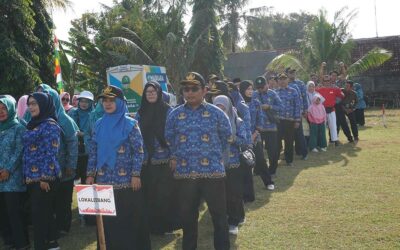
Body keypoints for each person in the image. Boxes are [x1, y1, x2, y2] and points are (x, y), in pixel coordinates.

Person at [165, 72, 232, 250]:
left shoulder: (217, 113)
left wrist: (211, 154)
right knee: (188, 218)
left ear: (205, 90)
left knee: (219, 216)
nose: (190, 93)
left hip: (213, 173)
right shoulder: (174, 115)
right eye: (186, 89)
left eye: (194, 89)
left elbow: (226, 137)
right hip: (185, 175)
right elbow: (169, 138)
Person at [86, 86, 151, 250]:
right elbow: (93, 151)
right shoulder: (99, 124)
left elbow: (139, 151)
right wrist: (89, 175)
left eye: (111, 100)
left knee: (128, 221)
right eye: (104, 100)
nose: (107, 103)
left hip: (127, 182)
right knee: (107, 222)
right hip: (104, 182)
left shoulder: (131, 124)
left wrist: (136, 174)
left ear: (120, 102)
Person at [136, 81, 178, 235]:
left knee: (165, 194)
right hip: (146, 161)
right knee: (149, 194)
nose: (151, 94)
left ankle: (167, 227)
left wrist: (174, 156)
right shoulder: (141, 112)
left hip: (164, 160)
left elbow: (174, 134)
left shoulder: (168, 111)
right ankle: (152, 226)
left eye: (153, 91)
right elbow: (137, 136)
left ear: (159, 93)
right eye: (148, 92)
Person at [36, 85, 79, 234]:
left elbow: (72, 144)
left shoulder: (63, 119)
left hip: (64, 167)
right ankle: (53, 226)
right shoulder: (38, 118)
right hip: (47, 169)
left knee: (63, 199)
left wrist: (70, 165)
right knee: (51, 199)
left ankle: (63, 226)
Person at [23, 92, 61, 250]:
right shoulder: (33, 123)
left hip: (45, 177)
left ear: (43, 105)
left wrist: (45, 178)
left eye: (34, 104)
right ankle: (52, 243)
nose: (31, 107)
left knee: (39, 215)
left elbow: (50, 153)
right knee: (43, 213)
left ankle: (40, 246)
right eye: (29, 104)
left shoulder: (50, 125)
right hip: (32, 177)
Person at [0, 95, 29, 249]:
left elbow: (19, 151)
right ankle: (9, 241)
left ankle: (22, 243)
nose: (1, 112)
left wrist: (8, 169)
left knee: (14, 213)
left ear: (11, 108)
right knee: (2, 213)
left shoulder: (19, 128)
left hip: (13, 178)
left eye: (4, 108)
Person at [250, 76, 281, 181]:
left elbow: (281, 107)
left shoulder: (273, 94)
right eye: (258, 87)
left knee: (273, 151)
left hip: (271, 127)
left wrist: (270, 107)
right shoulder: (253, 94)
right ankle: (258, 170)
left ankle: (272, 170)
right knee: (258, 151)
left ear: (267, 84)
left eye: (262, 87)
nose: (260, 89)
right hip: (258, 128)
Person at [69, 91, 94, 185]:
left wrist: (84, 135)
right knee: (74, 181)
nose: (84, 104)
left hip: (89, 153)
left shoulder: (93, 115)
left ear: (91, 103)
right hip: (74, 152)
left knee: (88, 180)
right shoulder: (72, 113)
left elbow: (95, 133)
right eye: (82, 101)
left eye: (87, 101)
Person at [276, 73, 301, 167]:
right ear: (278, 81)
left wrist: (297, 120)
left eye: (284, 79)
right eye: (280, 79)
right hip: (278, 121)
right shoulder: (275, 92)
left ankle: (289, 160)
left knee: (289, 141)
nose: (282, 81)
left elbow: (297, 106)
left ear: (287, 80)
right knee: (277, 141)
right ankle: (275, 159)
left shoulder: (294, 91)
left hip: (290, 121)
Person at [286, 67, 308, 160]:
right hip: (286, 114)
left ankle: (303, 153)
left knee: (299, 134)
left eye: (294, 72)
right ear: (287, 74)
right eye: (290, 73)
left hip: (297, 112)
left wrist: (305, 109)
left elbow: (303, 97)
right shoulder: (284, 84)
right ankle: (291, 153)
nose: (292, 74)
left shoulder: (300, 84)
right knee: (289, 135)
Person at [316, 75, 344, 146]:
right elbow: (313, 93)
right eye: (325, 81)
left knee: (333, 126)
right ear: (323, 81)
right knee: (322, 127)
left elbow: (342, 95)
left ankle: (335, 140)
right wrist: (317, 87)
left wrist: (338, 90)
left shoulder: (334, 89)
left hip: (331, 110)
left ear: (330, 81)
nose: (327, 82)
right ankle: (322, 142)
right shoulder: (319, 89)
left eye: (328, 80)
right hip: (322, 111)